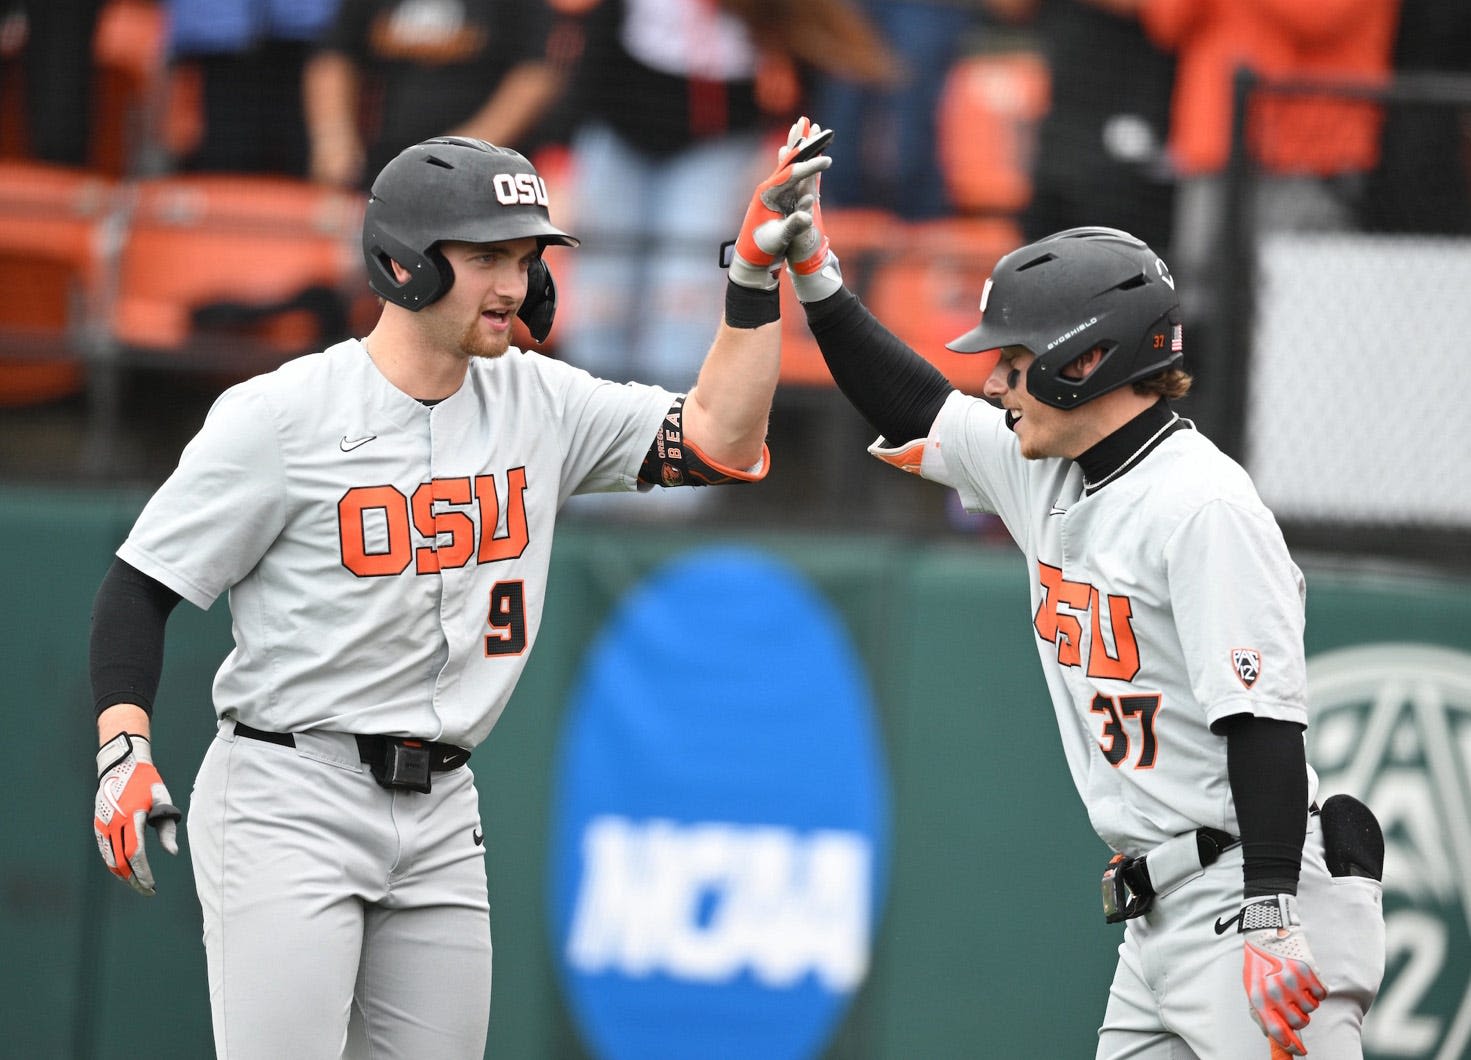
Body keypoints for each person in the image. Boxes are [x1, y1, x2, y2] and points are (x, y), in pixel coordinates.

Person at [88, 121, 830, 1057]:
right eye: (486, 256)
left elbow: (720, 441)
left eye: (524, 258)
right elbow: (140, 585)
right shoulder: (281, 415)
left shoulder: (540, 399)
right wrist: (125, 748)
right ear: (404, 265)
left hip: (441, 810)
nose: (515, 285)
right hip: (291, 792)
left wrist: (754, 283)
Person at [776, 203, 1386, 1055]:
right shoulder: (1051, 471)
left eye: (1014, 361)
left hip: (1253, 895)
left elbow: (1263, 721)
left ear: (1087, 358)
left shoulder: (1201, 505)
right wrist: (814, 275)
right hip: (1161, 912)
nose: (993, 384)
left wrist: (1272, 914)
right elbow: (915, 405)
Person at [304, 0, 570, 189]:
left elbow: (537, 73)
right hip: (388, 168)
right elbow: (333, 59)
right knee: (382, 264)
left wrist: (465, 151)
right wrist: (333, 138)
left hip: (486, 176)